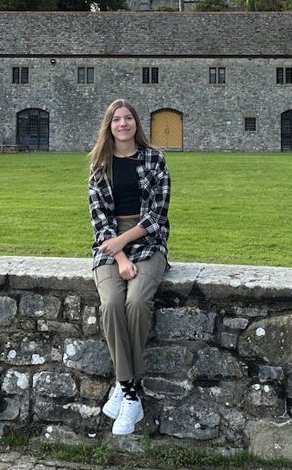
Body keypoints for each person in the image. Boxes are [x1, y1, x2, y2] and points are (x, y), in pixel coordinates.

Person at [87, 99, 171, 435]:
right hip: (110, 244)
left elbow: (157, 214)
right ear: (108, 126)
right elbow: (100, 221)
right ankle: (130, 389)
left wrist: (126, 243)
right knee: (111, 304)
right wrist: (119, 255)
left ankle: (124, 389)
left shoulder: (154, 159)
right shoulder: (99, 165)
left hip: (149, 240)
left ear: (137, 123)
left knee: (137, 301)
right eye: (116, 120)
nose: (123, 124)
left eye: (128, 118)